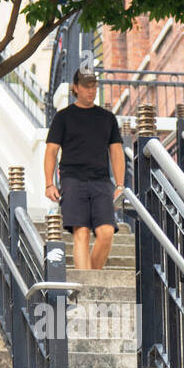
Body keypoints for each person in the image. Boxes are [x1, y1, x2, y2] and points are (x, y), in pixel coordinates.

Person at [44, 67, 125, 271]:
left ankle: (91, 281)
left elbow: (116, 152)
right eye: (86, 86)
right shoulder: (63, 117)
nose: (91, 91)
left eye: (94, 86)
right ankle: (88, 284)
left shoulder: (107, 118)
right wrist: (49, 183)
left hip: (101, 182)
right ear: (76, 88)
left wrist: (120, 185)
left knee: (106, 232)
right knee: (81, 232)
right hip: (72, 180)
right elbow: (51, 151)